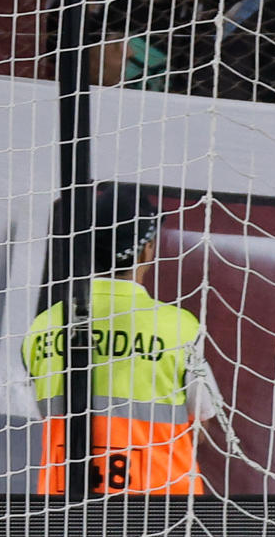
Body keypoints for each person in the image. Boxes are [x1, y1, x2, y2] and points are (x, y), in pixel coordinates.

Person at [20, 184, 218, 496]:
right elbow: (200, 427)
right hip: (163, 512)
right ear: (147, 249)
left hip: (65, 509)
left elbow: (46, 413)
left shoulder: (44, 326)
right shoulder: (177, 327)